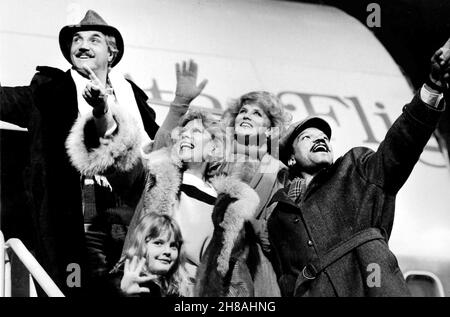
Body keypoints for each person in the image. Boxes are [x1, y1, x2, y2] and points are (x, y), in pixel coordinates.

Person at [0, 10, 191, 296]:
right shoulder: (47, 91)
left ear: (111, 53)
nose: (82, 45)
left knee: (129, 290)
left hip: (131, 212)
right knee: (74, 285)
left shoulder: (133, 97)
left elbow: (159, 149)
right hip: (75, 212)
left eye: (94, 39)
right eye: (76, 40)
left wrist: (179, 104)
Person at [267, 41, 450, 296]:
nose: (321, 139)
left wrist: (432, 87)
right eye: (307, 137)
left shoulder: (355, 169)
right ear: (290, 159)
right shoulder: (278, 216)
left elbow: (402, 143)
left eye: (324, 137)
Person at [117, 213, 190, 297]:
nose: (168, 251)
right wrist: (124, 294)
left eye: (173, 246)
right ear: (141, 245)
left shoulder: (172, 288)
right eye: (158, 243)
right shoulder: (120, 280)